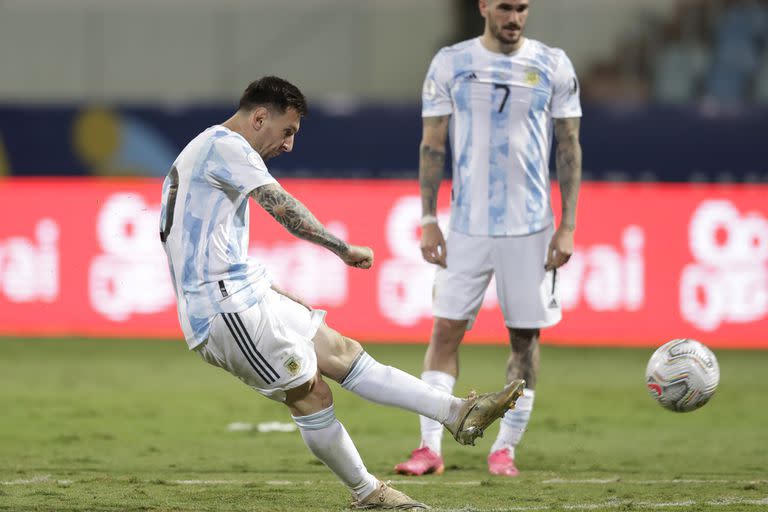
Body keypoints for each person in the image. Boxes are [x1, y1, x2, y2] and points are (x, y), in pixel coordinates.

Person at [159, 75, 526, 509]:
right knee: (310, 393)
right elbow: (282, 207)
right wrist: (341, 247)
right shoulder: (228, 147)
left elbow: (199, 246)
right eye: (287, 131)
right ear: (259, 118)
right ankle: (368, 492)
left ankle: (457, 413)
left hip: (241, 292)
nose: (289, 145)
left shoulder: (203, 149)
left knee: (341, 351)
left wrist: (271, 290)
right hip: (224, 309)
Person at [394, 0, 582, 478]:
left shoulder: (553, 64)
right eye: (504, 7)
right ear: (483, 7)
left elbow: (569, 146)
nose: (514, 17)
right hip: (468, 226)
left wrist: (568, 224)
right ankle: (429, 448)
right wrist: (428, 217)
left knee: (524, 340)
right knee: (445, 331)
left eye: (521, 8)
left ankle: (505, 449)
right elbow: (432, 143)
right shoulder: (451, 63)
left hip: (532, 226)